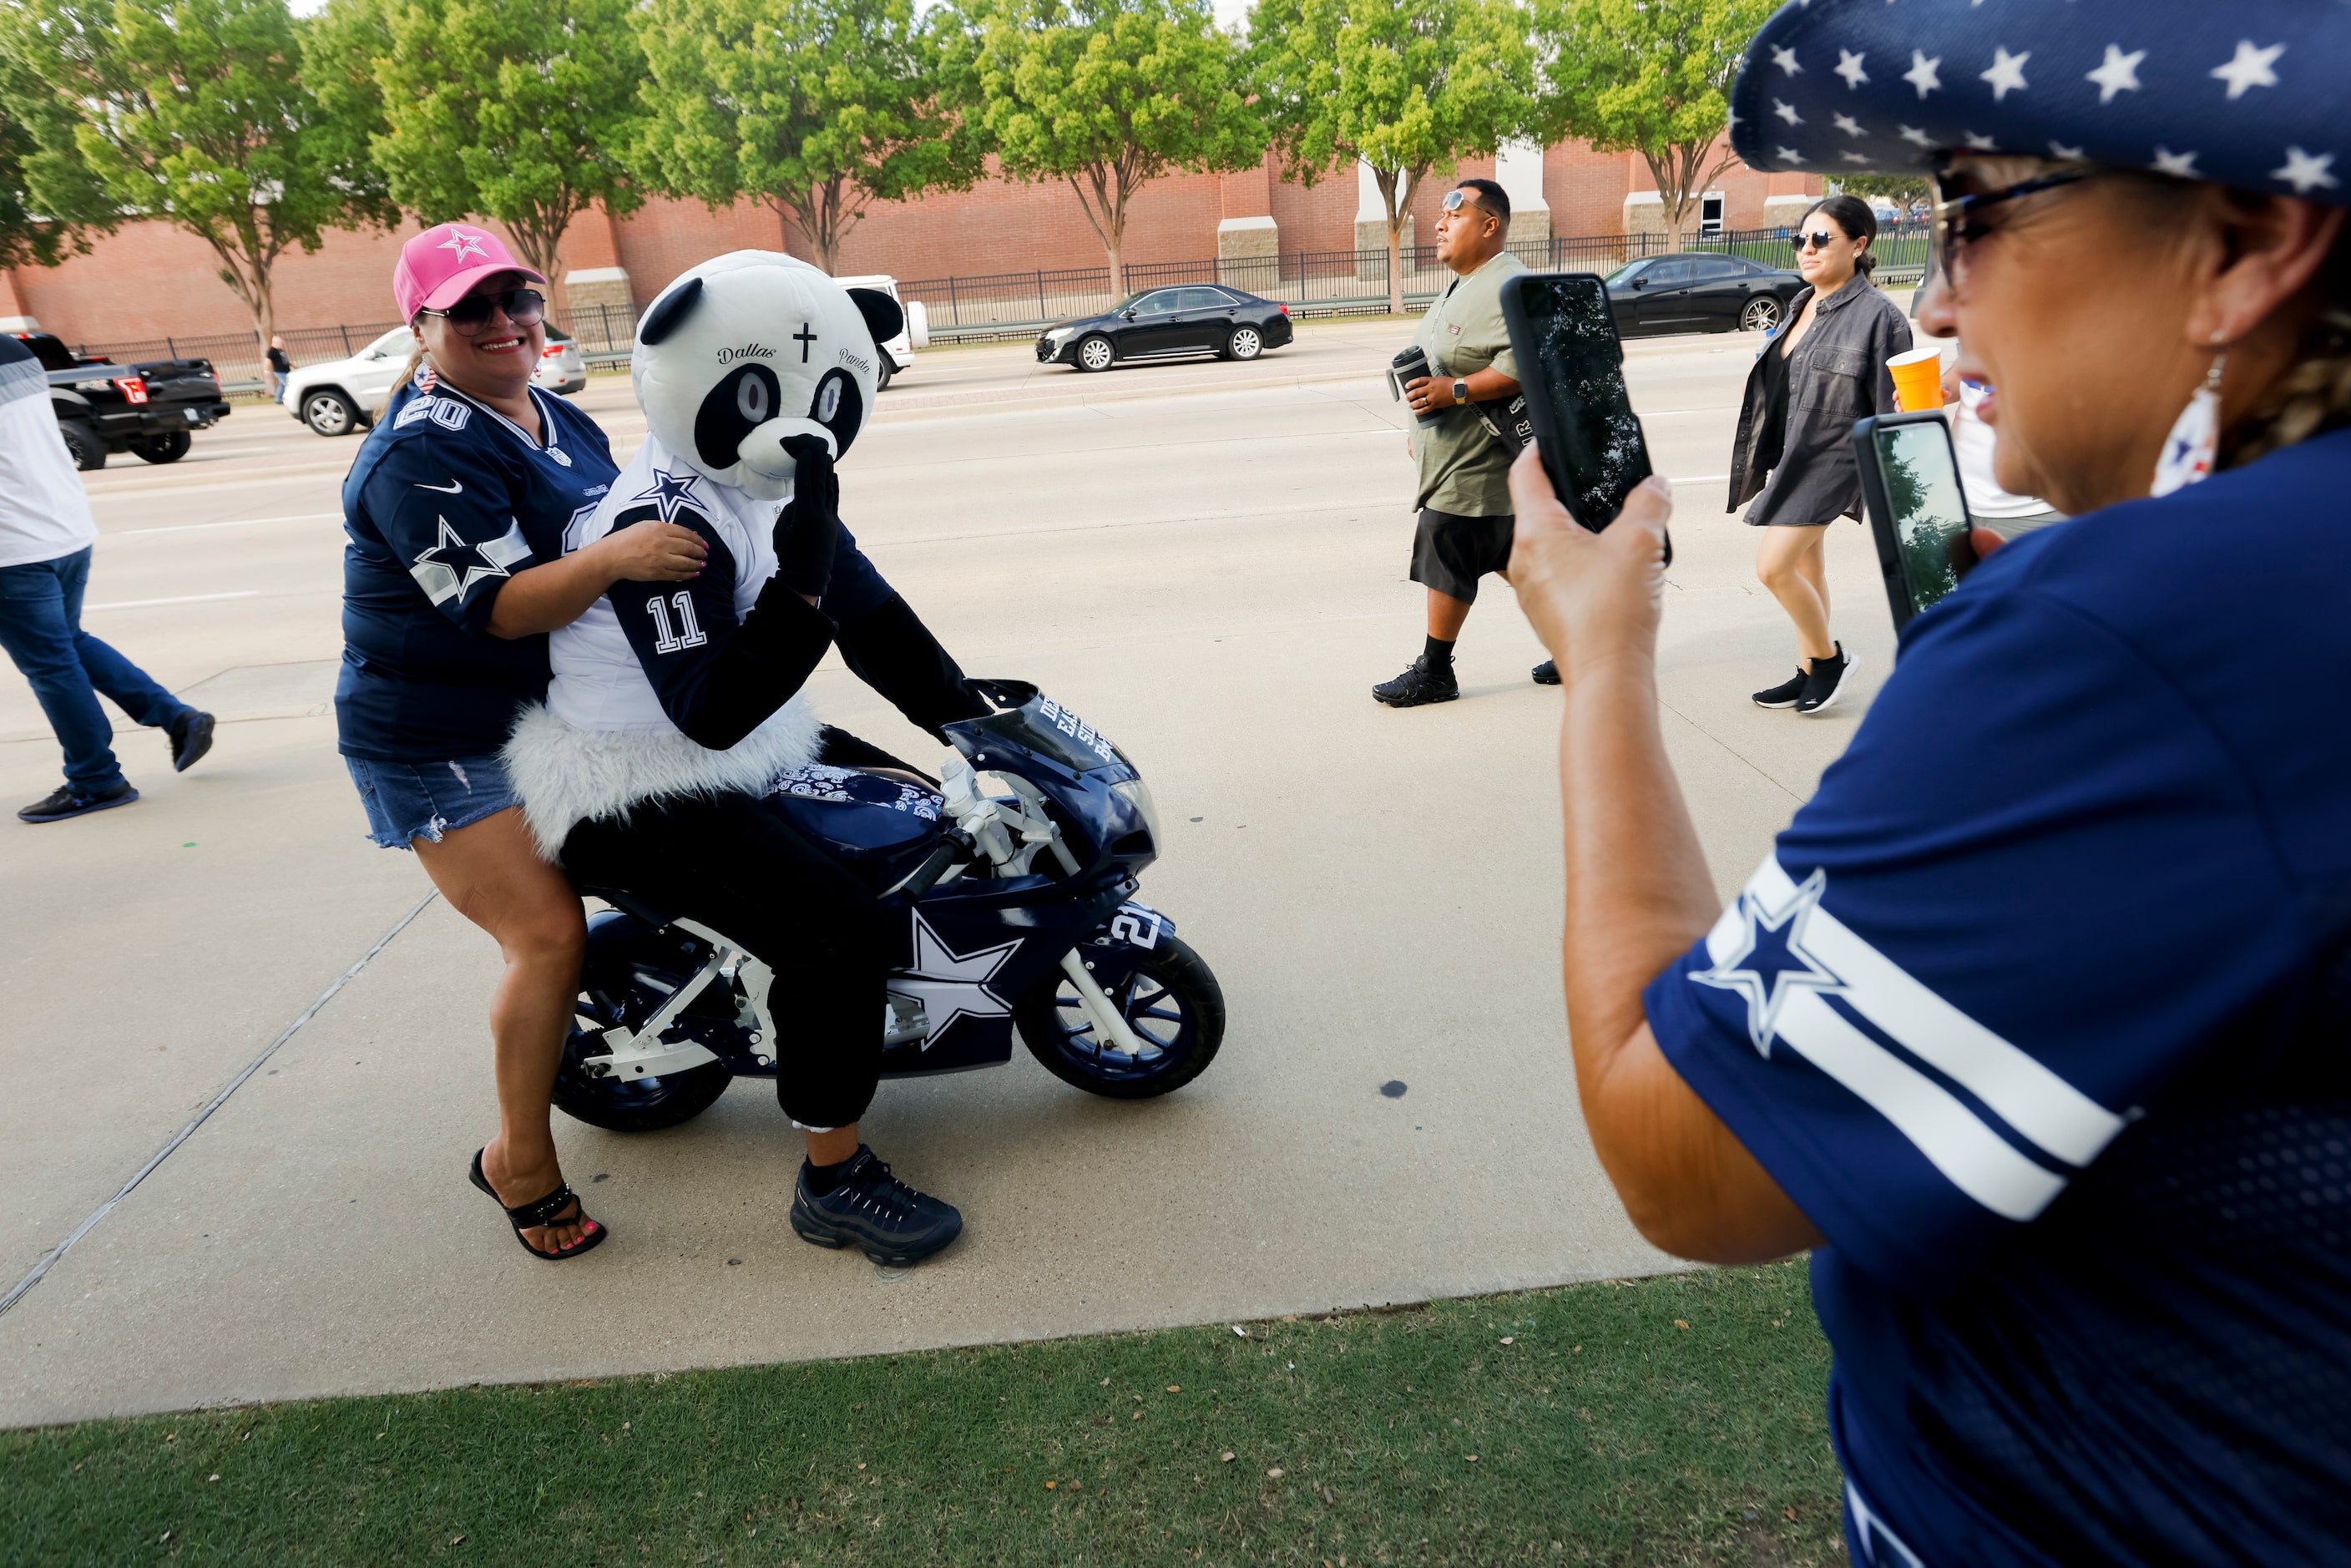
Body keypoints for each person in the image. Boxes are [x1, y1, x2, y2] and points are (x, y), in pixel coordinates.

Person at [1509, 0, 2351, 1560]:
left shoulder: (2147, 639)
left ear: (2240, 240)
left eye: (1971, 213)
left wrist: (1601, 653)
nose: (1939, 302)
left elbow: (1680, 1157)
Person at [501, 252, 984, 1267]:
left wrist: (974, 725)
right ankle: (834, 1181)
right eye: (764, 394)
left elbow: (875, 622)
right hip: (630, 782)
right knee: (835, 930)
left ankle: (860, 1028)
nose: (801, 424)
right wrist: (800, 591)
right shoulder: (665, 524)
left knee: (911, 814)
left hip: (733, 749)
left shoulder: (767, 484)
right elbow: (708, 712)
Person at [337, 222, 707, 1260]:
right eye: (472, 309)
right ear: (421, 327)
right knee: (547, 935)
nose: (505, 323)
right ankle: (520, 1163)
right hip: (435, 738)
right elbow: (498, 607)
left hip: (545, 712)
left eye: (517, 299)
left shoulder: (551, 412)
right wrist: (628, 556)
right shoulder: (418, 454)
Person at [0, 331, 215, 824]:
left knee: (51, 663)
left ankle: (96, 778)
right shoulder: (14, 351)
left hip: (15, 547)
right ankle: (176, 717)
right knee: (67, 643)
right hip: (64, 526)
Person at [1727, 194, 1912, 715]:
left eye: (1821, 238)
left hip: (1834, 460)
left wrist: (1893, 484)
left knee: (1773, 567)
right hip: (1792, 452)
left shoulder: (1880, 318)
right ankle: (1808, 667)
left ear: (1858, 245)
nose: (1806, 249)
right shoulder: (1800, 304)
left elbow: (1891, 408)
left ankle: (1829, 659)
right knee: (1809, 571)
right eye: (1799, 239)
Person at [1372, 177, 1537, 707]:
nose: (1440, 224)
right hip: (1460, 456)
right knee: (1519, 561)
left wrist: (1453, 391)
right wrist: (1421, 426)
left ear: (1490, 225)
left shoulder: (1511, 284)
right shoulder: (1465, 283)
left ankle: (1436, 671)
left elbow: (1523, 367)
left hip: (1479, 463)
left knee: (1446, 548)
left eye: (1455, 214)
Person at [265, 335, 291, 404]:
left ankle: (278, 399)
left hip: (285, 370)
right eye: (280, 342)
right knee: (288, 385)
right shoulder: (271, 351)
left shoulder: (280, 350)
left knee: (281, 386)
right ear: (275, 342)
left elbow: (285, 360)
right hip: (280, 371)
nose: (281, 343)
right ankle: (290, 399)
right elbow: (267, 361)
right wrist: (266, 371)